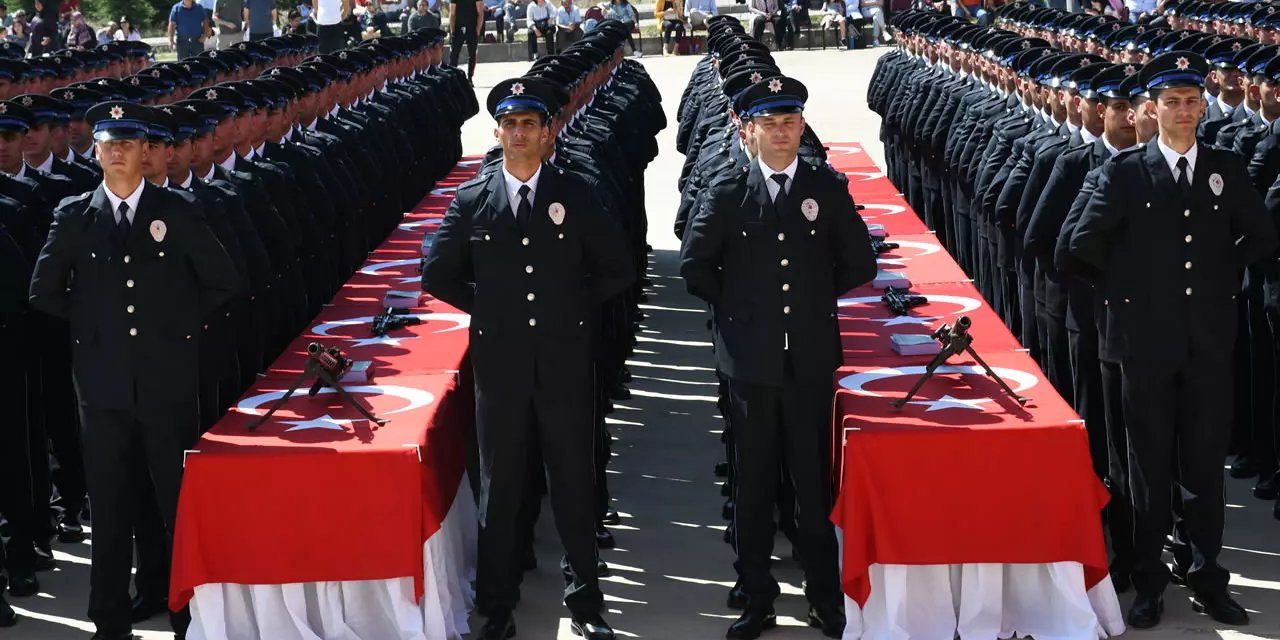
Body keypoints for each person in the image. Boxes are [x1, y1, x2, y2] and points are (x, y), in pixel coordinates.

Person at [1070, 51, 1277, 630]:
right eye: (1172, 103)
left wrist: (1218, 275)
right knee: (1148, 468)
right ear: (1150, 110)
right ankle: (1147, 581)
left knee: (1204, 468)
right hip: (1145, 346)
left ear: (1202, 105)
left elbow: (1260, 236)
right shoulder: (1125, 171)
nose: (1184, 112)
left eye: (1192, 101)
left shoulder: (1225, 167)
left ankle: (1207, 575)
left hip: (1209, 343)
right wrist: (1134, 293)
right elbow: (1079, 247)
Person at [422, 77, 632, 640]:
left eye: (530, 125)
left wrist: (572, 309)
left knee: (573, 483)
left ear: (548, 133)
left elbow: (618, 264)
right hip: (503, 368)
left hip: (564, 364)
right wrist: (490, 308)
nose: (519, 134)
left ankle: (586, 602)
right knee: (503, 487)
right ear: (497, 132)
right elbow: (437, 270)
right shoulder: (474, 198)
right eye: (510, 125)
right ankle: (496, 605)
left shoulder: (576, 193)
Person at [28, 100, 239, 640]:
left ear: (147, 152)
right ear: (96, 152)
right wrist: (93, 327)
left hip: (166, 386)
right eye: (108, 144)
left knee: (176, 505)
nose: (117, 153)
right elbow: (44, 291)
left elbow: (221, 279)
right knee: (111, 509)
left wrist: (175, 329)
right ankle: (109, 618)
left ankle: (186, 614)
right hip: (102, 391)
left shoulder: (178, 211)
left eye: (128, 144)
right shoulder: (75, 215)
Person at [680, 75, 876, 640]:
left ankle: (823, 597)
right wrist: (744, 312)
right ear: (749, 130)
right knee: (754, 483)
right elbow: (696, 267)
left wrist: (813, 304)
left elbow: (859, 261)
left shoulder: (825, 186)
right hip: (750, 364)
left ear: (802, 126)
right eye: (770, 123)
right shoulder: (727, 190)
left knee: (812, 486)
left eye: (790, 122)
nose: (782, 132)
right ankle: (756, 598)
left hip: (808, 362)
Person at [448, 0, 482, 80]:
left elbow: (480, 13)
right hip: (458, 28)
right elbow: (452, 14)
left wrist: (477, 30)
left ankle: (470, 77)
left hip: (472, 28)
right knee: (454, 55)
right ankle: (452, 78)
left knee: (472, 55)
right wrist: (452, 31)